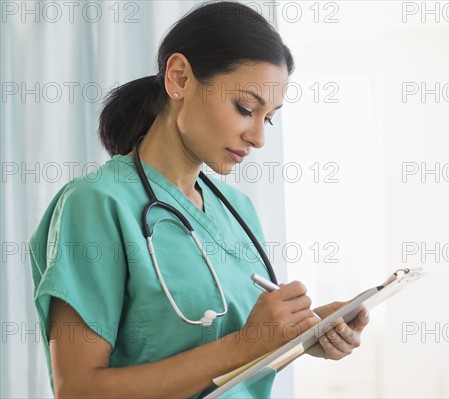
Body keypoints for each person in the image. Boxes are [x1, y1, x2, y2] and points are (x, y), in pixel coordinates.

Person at [27, 1, 370, 398]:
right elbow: (79, 390)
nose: (258, 137)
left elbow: (237, 362)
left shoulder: (237, 210)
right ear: (180, 77)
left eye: (269, 118)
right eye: (245, 108)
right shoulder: (97, 204)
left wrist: (299, 335)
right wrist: (247, 344)